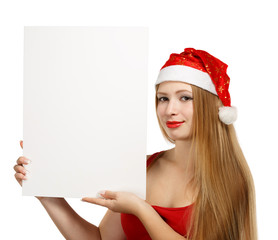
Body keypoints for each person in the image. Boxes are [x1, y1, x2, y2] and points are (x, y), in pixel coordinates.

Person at [14, 47, 257, 240]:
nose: (170, 110)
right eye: (163, 98)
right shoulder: (145, 167)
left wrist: (141, 210)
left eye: (185, 97)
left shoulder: (231, 178)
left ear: (212, 107)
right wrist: (48, 197)